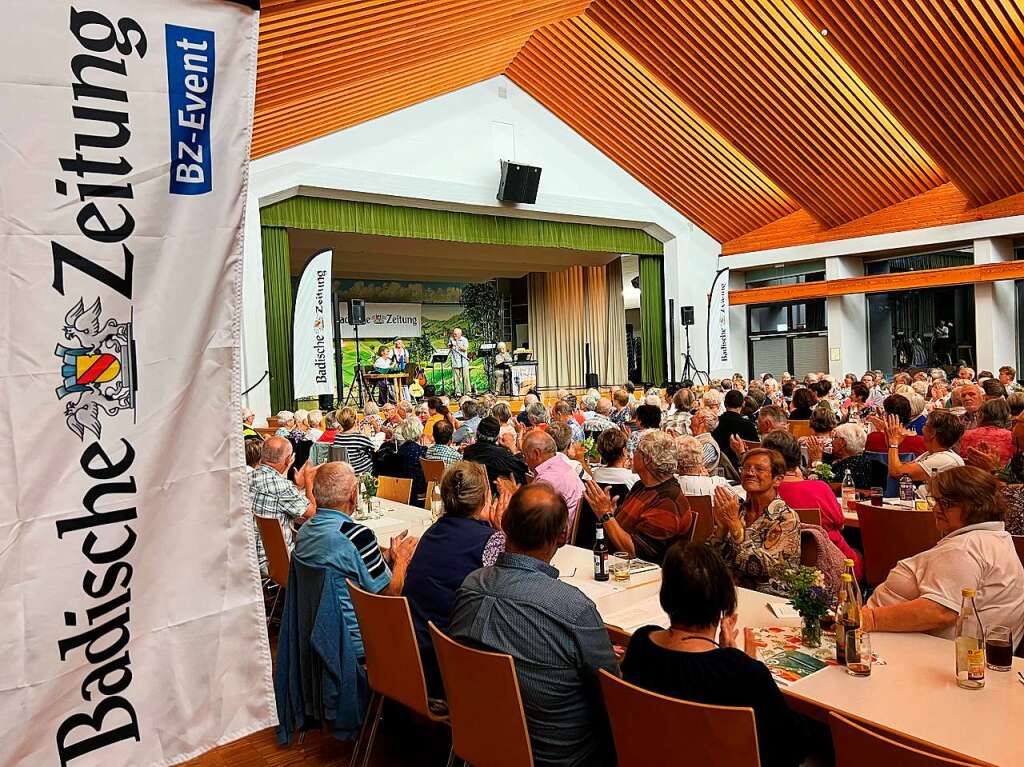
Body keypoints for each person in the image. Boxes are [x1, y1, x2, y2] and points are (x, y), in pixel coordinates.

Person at [448, 484, 619, 767]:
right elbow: (610, 691)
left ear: (503, 522)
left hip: (478, 733)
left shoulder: (471, 584)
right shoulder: (574, 609)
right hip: (555, 754)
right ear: (562, 536)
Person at [621, 542, 810, 767]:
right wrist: (737, 660)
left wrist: (728, 657)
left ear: (666, 596)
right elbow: (792, 748)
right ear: (723, 601)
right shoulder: (743, 672)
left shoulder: (641, 643)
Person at [863, 466, 1024, 640]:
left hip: (912, 650)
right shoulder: (996, 537)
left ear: (975, 506)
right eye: (936, 501)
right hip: (913, 643)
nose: (936, 509)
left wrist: (869, 619)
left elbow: (940, 612)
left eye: (946, 503)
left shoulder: (965, 549)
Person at [403, 462, 509, 692]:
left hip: (413, 655)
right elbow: (514, 588)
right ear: (484, 500)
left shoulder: (432, 532)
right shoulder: (492, 540)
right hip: (452, 665)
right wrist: (503, 530)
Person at [295, 462, 418, 657]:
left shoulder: (304, 531)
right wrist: (402, 560)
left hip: (316, 631)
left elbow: (345, 565)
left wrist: (384, 556)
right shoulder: (356, 536)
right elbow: (392, 595)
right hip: (356, 641)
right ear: (354, 495)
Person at [762, 430, 862, 578]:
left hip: (782, 567)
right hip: (834, 567)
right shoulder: (820, 488)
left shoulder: (763, 494)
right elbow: (840, 523)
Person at [583, 431, 694, 564]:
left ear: (647, 460)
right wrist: (612, 514)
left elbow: (635, 553)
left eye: (636, 451)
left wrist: (605, 515)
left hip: (642, 576)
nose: (630, 455)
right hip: (617, 565)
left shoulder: (667, 502)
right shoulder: (641, 485)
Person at [710, 448, 800, 593]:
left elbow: (760, 567)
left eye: (759, 469)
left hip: (768, 597)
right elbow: (712, 560)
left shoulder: (786, 518)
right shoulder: (738, 510)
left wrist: (734, 526)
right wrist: (721, 530)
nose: (749, 473)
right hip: (729, 590)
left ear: (777, 480)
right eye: (745, 468)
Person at [249, 437, 317, 574]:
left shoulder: (249, 477)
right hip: (276, 563)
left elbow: (280, 501)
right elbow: (315, 515)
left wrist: (297, 486)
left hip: (249, 557)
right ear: (287, 460)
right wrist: (309, 480)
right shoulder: (281, 486)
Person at [520, 430, 584, 533]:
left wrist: (516, 495)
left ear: (536, 453)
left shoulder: (547, 479)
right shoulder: (560, 463)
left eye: (525, 456)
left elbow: (530, 519)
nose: (525, 461)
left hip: (556, 539)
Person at [884, 409, 964, 486]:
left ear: (933, 433)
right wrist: (892, 444)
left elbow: (896, 472)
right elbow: (898, 467)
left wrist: (893, 443)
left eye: (925, 425)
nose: (922, 429)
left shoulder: (946, 459)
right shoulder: (930, 454)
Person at [463, 415, 529, 490]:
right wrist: (513, 448)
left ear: (477, 432)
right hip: (497, 494)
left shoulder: (468, 451)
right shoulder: (501, 454)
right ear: (498, 437)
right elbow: (524, 471)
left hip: (477, 491)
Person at [675, 435, 744, 499]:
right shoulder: (718, 483)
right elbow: (737, 500)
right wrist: (706, 480)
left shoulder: (671, 483)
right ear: (701, 458)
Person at [711, 389, 759, 468]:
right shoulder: (748, 425)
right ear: (743, 404)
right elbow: (755, 449)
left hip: (717, 466)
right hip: (742, 466)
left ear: (725, 404)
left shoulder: (715, 423)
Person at [959, 398, 1015, 464]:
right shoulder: (1012, 436)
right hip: (1002, 473)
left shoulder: (966, 434)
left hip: (971, 473)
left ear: (981, 416)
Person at [826, 422, 879, 489]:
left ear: (842, 443)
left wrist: (816, 461)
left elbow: (823, 488)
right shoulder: (868, 462)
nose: (832, 442)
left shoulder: (845, 467)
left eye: (835, 438)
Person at [332, 407, 376, 475]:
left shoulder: (337, 437)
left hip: (343, 472)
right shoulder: (359, 438)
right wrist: (367, 436)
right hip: (359, 472)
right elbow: (374, 449)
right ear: (355, 420)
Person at [449, 327, 472, 396]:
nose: (454, 335)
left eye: (456, 334)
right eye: (454, 334)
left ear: (460, 334)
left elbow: (465, 349)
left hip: (464, 362)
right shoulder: (450, 339)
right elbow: (449, 348)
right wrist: (450, 346)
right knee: (456, 379)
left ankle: (468, 392)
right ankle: (457, 392)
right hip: (455, 362)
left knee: (466, 378)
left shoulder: (464, 340)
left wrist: (457, 343)